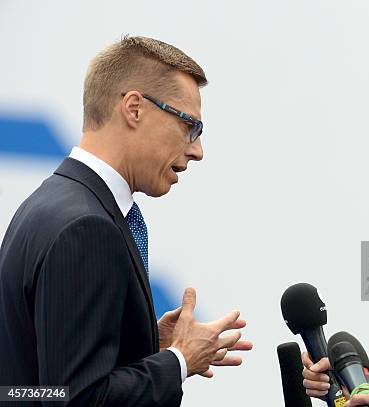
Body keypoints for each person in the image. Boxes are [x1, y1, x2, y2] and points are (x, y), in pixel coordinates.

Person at [0, 36, 252, 406]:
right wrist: (178, 361)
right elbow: (79, 399)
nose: (197, 150)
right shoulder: (86, 227)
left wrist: (147, 342)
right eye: (189, 126)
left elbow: (33, 388)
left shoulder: (47, 203)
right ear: (134, 108)